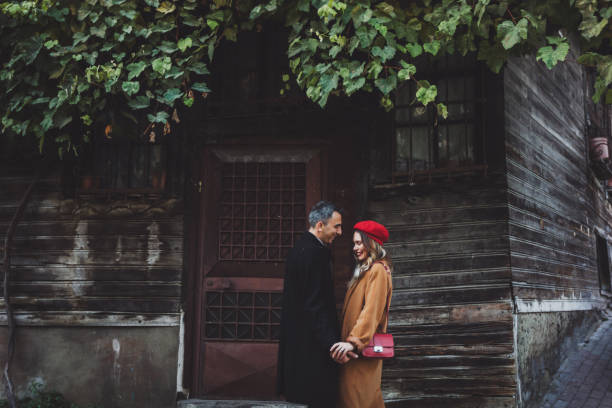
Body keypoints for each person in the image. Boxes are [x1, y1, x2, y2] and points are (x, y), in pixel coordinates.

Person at [277, 200, 345, 408]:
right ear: (320, 226)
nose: (340, 232)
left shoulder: (299, 248)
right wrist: (331, 342)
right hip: (312, 347)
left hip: (299, 344)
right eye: (337, 226)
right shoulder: (315, 254)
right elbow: (315, 304)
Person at [330, 220, 393, 408]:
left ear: (371, 243)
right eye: (354, 244)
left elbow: (370, 313)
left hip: (361, 352)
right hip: (355, 353)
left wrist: (353, 342)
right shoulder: (365, 270)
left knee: (358, 401)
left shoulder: (378, 271)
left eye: (359, 243)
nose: (355, 248)